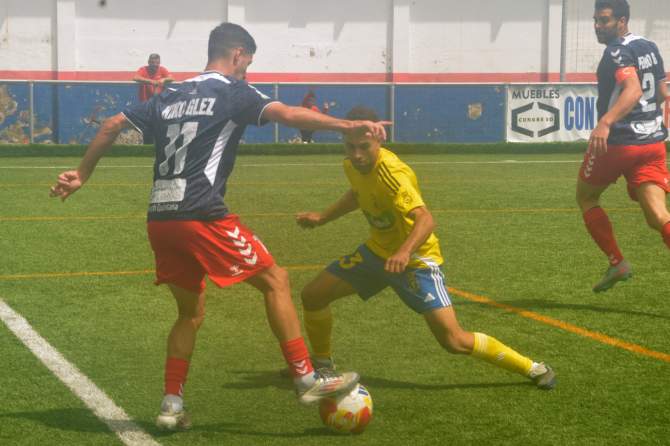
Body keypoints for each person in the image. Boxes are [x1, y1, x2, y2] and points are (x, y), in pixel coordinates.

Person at [49, 23, 390, 431]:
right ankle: (305, 378)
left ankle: (171, 405)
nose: (247, 69)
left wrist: (82, 174)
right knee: (276, 280)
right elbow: (286, 114)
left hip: (160, 218)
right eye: (249, 62)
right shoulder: (233, 91)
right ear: (238, 54)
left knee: (189, 314)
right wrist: (346, 126)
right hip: (201, 213)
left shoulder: (170, 93)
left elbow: (110, 125)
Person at [292, 105, 556, 391]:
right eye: (350, 146)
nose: (356, 155)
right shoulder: (351, 165)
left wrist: (404, 252)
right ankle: (322, 367)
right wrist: (322, 217)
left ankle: (533, 367)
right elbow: (357, 194)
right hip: (377, 253)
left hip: (415, 262)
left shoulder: (392, 173)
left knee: (454, 340)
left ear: (379, 140)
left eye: (364, 147)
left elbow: (426, 219)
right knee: (313, 295)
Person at [577, 0, 670, 292]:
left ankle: (617, 262)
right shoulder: (649, 46)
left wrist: (606, 122)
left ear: (622, 21)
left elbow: (633, 89)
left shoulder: (617, 50)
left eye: (604, 20)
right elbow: (662, 91)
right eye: (596, 20)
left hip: (619, 143)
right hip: (653, 143)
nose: (598, 26)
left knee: (587, 197)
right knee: (658, 216)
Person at [133, 54, 174, 144]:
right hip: (145, 104)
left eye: (157, 63)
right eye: (153, 63)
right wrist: (151, 81)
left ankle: (160, 145)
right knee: (146, 128)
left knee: (160, 127)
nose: (155, 65)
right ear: (149, 62)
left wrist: (164, 79)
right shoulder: (143, 69)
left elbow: (171, 78)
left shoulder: (162, 69)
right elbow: (135, 77)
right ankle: (147, 146)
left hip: (159, 105)